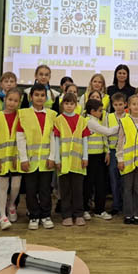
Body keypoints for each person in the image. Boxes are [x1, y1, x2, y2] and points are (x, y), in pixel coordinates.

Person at [17, 83, 57, 230]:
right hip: (30, 161)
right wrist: (23, 159)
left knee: (45, 190)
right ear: (31, 97)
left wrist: (52, 157)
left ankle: (46, 215)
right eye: (36, 95)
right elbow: (20, 138)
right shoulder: (23, 114)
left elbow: (53, 138)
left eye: (42, 95)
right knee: (31, 190)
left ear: (46, 97)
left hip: (46, 161)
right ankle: (33, 215)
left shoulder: (52, 115)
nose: (39, 98)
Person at [53, 93, 91, 226]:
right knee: (65, 190)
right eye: (66, 103)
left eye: (72, 103)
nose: (69, 106)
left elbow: (85, 140)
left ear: (76, 105)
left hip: (78, 161)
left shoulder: (82, 120)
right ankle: (66, 215)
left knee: (78, 190)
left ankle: (78, 214)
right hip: (63, 162)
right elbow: (56, 141)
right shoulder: (58, 120)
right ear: (62, 105)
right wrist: (57, 159)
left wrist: (85, 157)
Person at [0, 88, 24, 230]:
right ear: (4, 99)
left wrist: (19, 156)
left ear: (19, 102)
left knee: (16, 185)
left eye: (15, 101)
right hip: (2, 158)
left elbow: (23, 138)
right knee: (3, 186)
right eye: (10, 99)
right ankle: (3, 216)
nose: (12, 103)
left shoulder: (21, 116)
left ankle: (11, 205)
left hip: (16, 157)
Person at [85, 98, 117, 220]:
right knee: (88, 184)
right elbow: (107, 132)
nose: (101, 112)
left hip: (99, 156)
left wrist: (107, 151)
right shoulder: (89, 121)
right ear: (92, 111)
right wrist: (121, 125)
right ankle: (85, 209)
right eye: (99, 110)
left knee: (100, 184)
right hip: (90, 157)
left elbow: (103, 137)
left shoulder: (97, 121)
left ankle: (100, 210)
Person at [117, 94, 138, 225]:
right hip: (127, 160)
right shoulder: (124, 121)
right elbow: (120, 142)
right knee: (127, 188)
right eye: (133, 104)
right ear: (128, 106)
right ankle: (128, 214)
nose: (136, 106)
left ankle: (137, 214)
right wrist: (120, 159)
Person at [107, 92, 127, 215]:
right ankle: (116, 205)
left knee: (124, 180)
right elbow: (105, 135)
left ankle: (125, 204)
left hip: (125, 152)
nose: (118, 107)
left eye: (120, 104)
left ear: (125, 104)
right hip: (112, 150)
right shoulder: (108, 117)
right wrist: (107, 151)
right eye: (116, 105)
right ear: (112, 105)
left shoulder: (129, 117)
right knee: (113, 179)